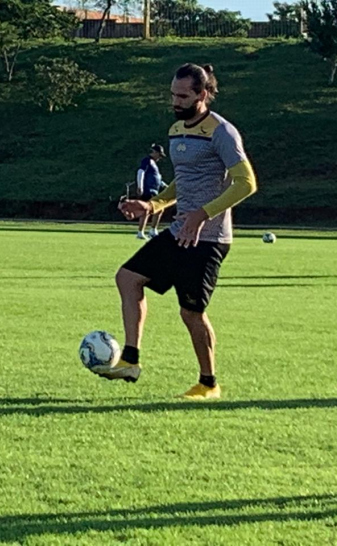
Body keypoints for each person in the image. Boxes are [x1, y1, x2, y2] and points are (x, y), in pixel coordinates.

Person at [98, 63, 257, 400]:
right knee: (127, 277)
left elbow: (247, 183)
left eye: (183, 96)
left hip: (209, 238)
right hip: (179, 229)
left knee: (191, 313)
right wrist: (153, 205)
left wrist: (203, 214)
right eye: (173, 94)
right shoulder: (175, 131)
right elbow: (182, 182)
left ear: (203, 94)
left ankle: (208, 383)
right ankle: (130, 360)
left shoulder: (222, 132)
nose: (176, 101)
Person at [135, 144, 168, 240]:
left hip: (154, 190)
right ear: (155, 153)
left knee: (158, 209)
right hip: (148, 190)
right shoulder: (147, 161)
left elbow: (156, 178)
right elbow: (140, 172)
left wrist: (165, 186)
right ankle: (142, 232)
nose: (160, 157)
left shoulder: (154, 164)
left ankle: (152, 230)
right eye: (159, 155)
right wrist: (140, 186)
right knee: (147, 211)